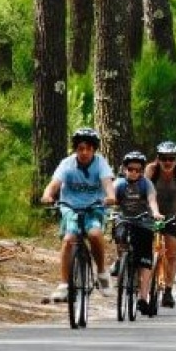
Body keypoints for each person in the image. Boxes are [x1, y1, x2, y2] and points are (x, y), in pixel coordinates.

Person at [41, 128, 116, 301]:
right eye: (81, 148)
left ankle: (102, 273)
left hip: (94, 207)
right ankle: (64, 284)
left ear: (94, 150)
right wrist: (48, 195)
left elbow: (107, 183)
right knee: (69, 240)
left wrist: (111, 196)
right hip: (70, 207)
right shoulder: (67, 163)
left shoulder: (100, 163)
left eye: (88, 149)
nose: (84, 152)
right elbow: (54, 184)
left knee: (95, 234)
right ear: (76, 149)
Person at [144, 141, 176, 308]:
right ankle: (142, 288)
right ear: (158, 158)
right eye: (164, 158)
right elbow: (143, 188)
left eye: (171, 158)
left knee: (172, 253)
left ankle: (168, 290)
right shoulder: (152, 170)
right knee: (145, 249)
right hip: (152, 215)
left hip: (173, 216)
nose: (167, 162)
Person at [112, 151, 164, 316]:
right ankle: (120, 260)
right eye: (130, 169)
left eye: (138, 170)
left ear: (142, 171)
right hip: (124, 220)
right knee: (119, 236)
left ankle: (143, 297)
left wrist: (155, 213)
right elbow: (110, 197)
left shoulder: (146, 184)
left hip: (143, 223)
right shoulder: (119, 184)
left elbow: (152, 200)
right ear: (125, 169)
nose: (134, 172)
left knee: (144, 261)